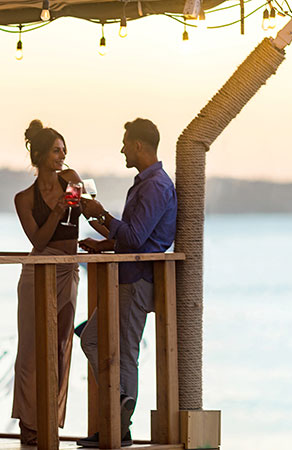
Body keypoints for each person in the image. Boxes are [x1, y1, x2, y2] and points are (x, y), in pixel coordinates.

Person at [77, 118, 177, 447]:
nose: (121, 149)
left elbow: (135, 237)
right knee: (91, 340)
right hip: (126, 275)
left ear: (138, 145)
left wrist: (102, 214)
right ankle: (119, 412)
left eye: (125, 143)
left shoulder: (155, 186)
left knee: (125, 353)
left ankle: (118, 424)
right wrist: (103, 242)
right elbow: (135, 235)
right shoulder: (146, 183)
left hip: (137, 279)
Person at [11, 119, 83, 445]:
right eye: (56, 150)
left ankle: (50, 419)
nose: (62, 155)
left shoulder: (73, 180)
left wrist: (88, 205)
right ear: (39, 155)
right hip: (37, 270)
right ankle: (28, 421)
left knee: (60, 347)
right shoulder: (24, 198)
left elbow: (89, 211)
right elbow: (38, 241)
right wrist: (56, 210)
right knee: (29, 349)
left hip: (68, 269)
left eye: (64, 150)